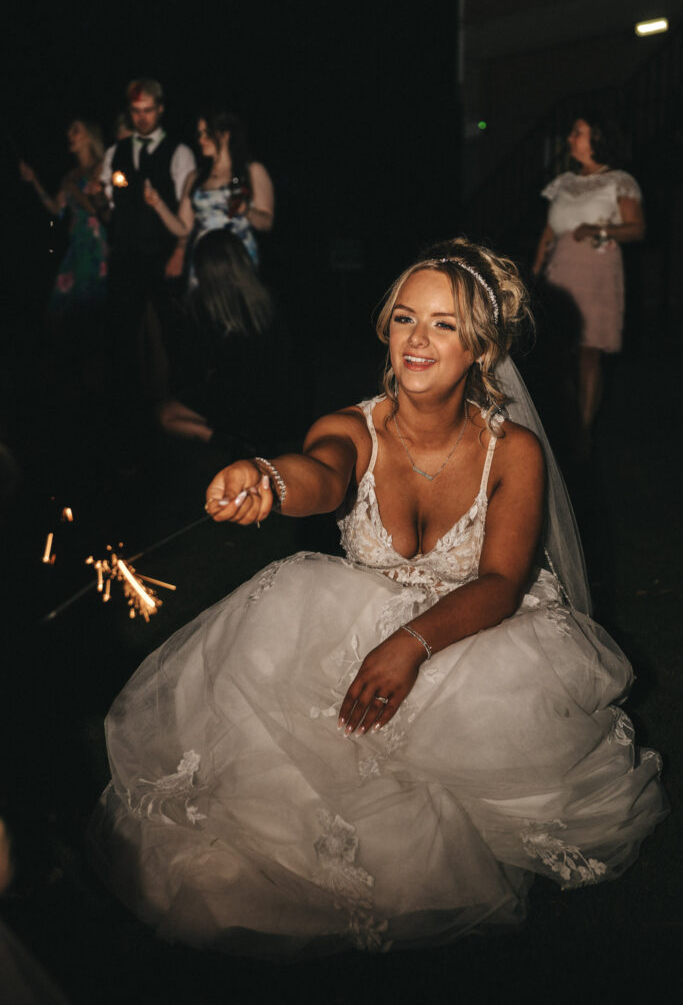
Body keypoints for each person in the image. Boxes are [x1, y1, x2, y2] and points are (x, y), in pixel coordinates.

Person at [89, 237, 666, 957]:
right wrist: (266, 479)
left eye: (443, 324)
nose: (417, 339)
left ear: (479, 351)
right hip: (353, 616)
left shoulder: (511, 449)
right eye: (402, 318)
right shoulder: (348, 426)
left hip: (475, 632)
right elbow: (320, 474)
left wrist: (409, 644)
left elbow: (498, 582)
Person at [532, 115, 645, 449]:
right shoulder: (564, 182)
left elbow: (636, 229)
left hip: (596, 272)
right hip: (560, 272)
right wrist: (535, 273)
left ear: (597, 137)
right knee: (555, 351)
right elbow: (549, 232)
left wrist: (600, 229)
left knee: (588, 352)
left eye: (577, 132)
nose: (570, 137)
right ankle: (558, 421)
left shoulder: (619, 181)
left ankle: (582, 431)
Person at [93, 78, 196, 399]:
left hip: (164, 253)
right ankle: (129, 401)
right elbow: (107, 208)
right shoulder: (116, 152)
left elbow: (187, 212)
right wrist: (97, 197)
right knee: (123, 332)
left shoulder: (179, 153)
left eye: (148, 110)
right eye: (136, 111)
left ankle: (179, 396)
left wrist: (179, 252)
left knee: (171, 331)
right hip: (126, 256)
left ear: (161, 109)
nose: (141, 118)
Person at [157, 228, 285, 454]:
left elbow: (189, 372)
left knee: (166, 415)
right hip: (276, 405)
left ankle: (226, 441)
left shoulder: (203, 308)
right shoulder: (270, 299)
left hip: (237, 405)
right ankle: (241, 440)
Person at [144, 107, 274, 276]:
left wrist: (246, 210)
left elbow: (266, 222)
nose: (201, 140)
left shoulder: (250, 171)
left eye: (207, 133)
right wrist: (159, 205)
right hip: (203, 261)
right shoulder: (196, 177)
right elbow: (183, 228)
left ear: (225, 135)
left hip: (237, 260)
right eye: (199, 134)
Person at [20, 120, 108, 350]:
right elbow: (56, 209)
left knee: (90, 309)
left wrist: (72, 188)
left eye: (75, 130)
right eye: (69, 131)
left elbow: (94, 209)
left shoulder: (101, 167)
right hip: (76, 244)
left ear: (89, 137)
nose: (69, 135)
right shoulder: (70, 175)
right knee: (60, 309)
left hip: (97, 244)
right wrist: (34, 182)